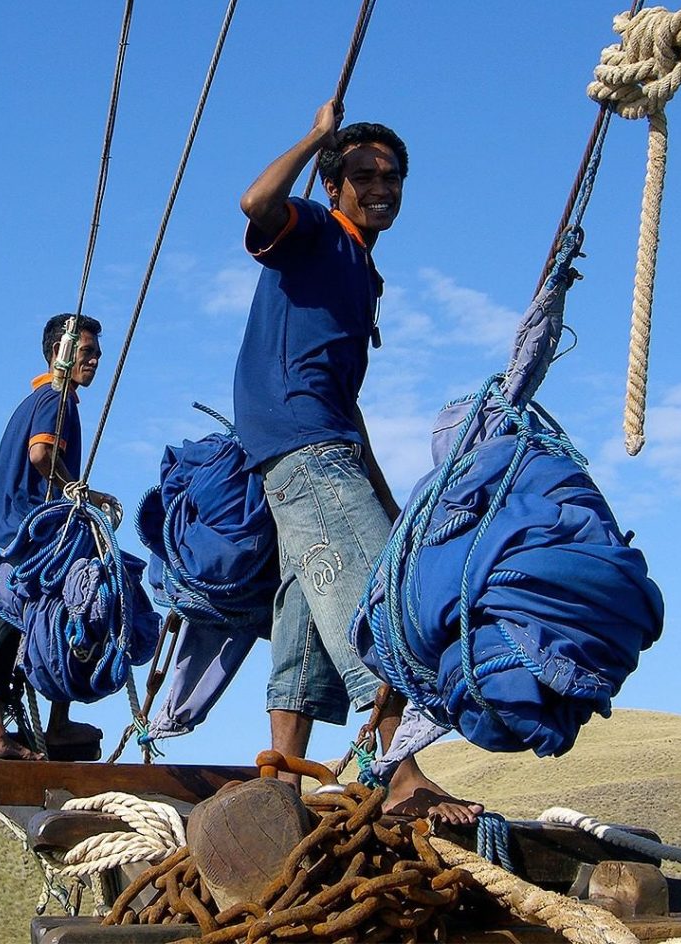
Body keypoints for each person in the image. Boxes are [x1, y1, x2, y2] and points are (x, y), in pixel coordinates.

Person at [234, 99, 481, 822]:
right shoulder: (313, 228)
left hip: (316, 444)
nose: (381, 186)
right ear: (332, 182)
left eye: (393, 175)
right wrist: (315, 134)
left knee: (304, 619)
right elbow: (255, 201)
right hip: (304, 446)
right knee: (384, 602)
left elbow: (345, 397)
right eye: (364, 173)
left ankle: (281, 784)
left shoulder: (359, 269)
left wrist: (381, 490)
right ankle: (398, 778)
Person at [0, 313, 116, 761]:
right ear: (61, 353)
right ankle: (36, 727)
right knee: (79, 601)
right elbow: (42, 453)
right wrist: (78, 490)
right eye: (88, 351)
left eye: (97, 353)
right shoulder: (56, 397)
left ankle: (16, 726)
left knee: (18, 611)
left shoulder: (32, 401)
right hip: (32, 527)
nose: (96, 359)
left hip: (10, 528)